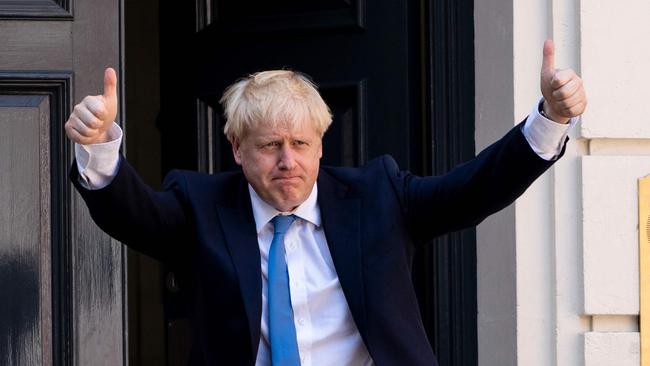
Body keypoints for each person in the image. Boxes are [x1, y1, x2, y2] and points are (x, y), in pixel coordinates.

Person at [65, 39, 587, 365]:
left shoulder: (379, 196)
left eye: (301, 144)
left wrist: (549, 120)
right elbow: (135, 215)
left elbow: (474, 189)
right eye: (270, 146)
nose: (287, 161)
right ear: (237, 149)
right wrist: (98, 148)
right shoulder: (201, 205)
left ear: (321, 145)